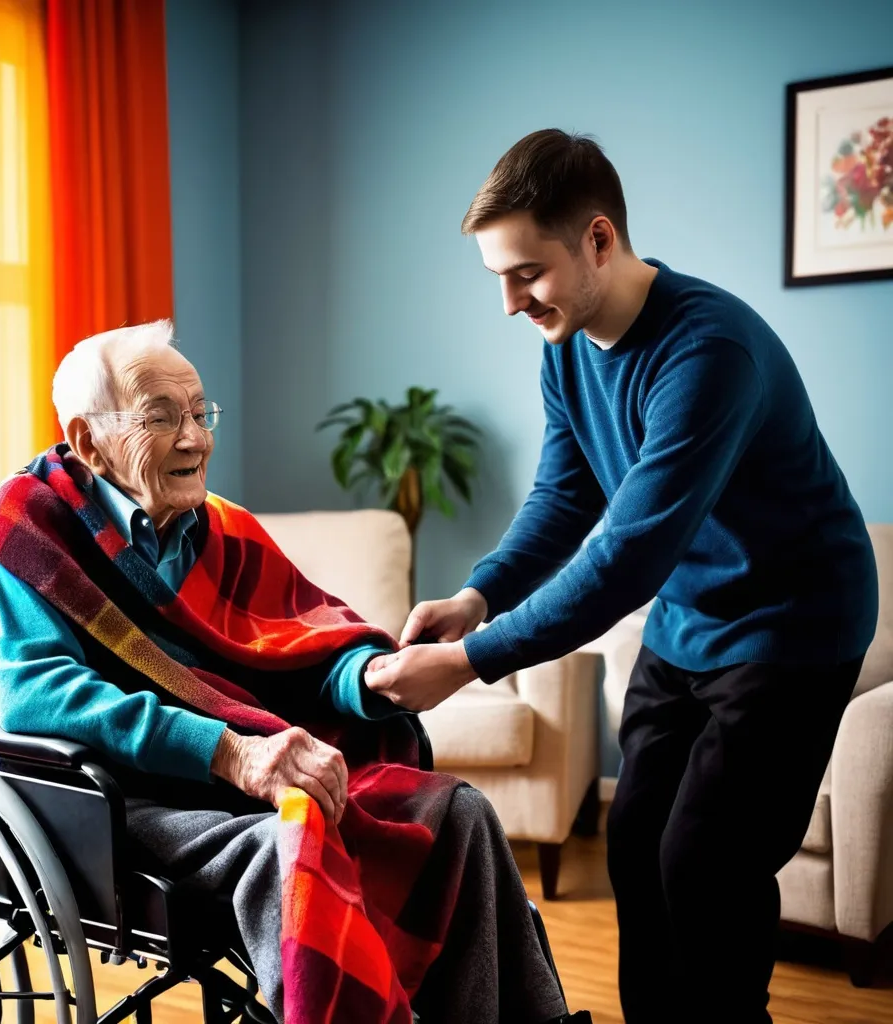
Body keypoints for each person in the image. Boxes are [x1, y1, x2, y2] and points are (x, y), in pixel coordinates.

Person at [364, 130, 879, 1023]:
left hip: (794, 626)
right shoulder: (565, 346)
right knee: (637, 842)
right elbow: (565, 497)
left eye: (527, 273)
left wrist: (473, 660)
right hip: (691, 620)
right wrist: (478, 596)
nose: (510, 302)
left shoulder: (710, 352)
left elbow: (626, 555)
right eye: (498, 277)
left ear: (598, 240)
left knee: (707, 861)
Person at [0, 320, 582, 1024]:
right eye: (161, 418)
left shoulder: (223, 528)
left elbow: (297, 642)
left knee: (458, 814)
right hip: (128, 795)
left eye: (201, 413)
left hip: (244, 774)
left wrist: (370, 676)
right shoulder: (31, 523)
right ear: (88, 441)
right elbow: (35, 690)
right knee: (294, 850)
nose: (196, 439)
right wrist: (228, 752)